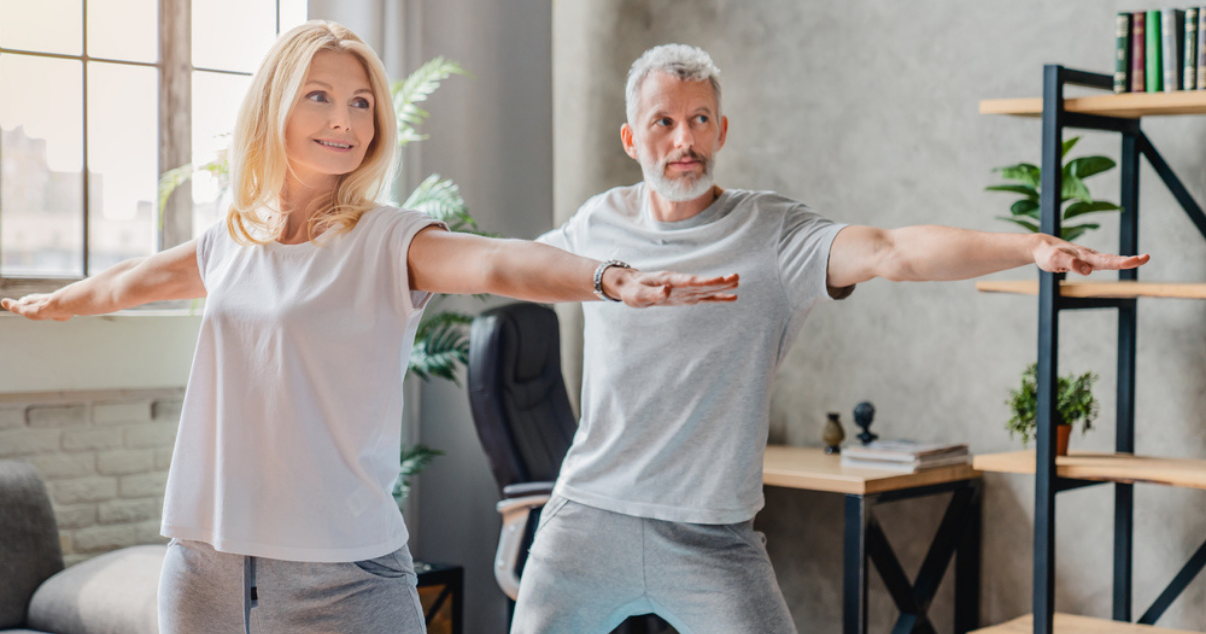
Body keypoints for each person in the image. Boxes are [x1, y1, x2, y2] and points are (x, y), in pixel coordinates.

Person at [1, 23, 739, 634]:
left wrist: (607, 277)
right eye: (319, 97)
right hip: (205, 568)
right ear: (273, 109)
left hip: (342, 579)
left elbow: (496, 264)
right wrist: (58, 300)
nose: (345, 120)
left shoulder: (388, 240)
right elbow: (138, 279)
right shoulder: (232, 239)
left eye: (360, 103)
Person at [514, 44, 1149, 634]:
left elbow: (892, 250)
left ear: (722, 130)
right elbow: (509, 266)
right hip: (587, 523)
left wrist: (1029, 246)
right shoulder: (598, 222)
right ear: (631, 138)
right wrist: (413, 247)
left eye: (701, 119)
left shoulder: (772, 233)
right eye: (664, 123)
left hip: (712, 538)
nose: (686, 140)